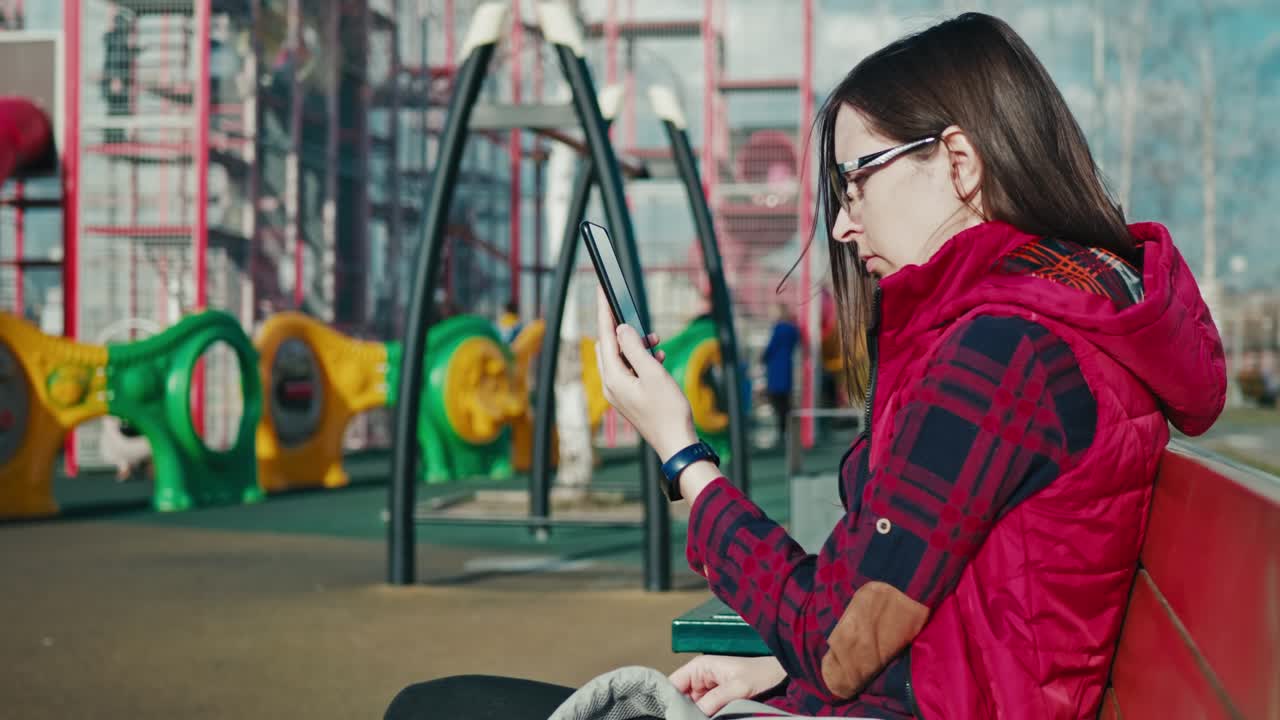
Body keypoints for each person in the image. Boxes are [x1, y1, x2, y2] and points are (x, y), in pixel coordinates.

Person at [384, 13, 1226, 720]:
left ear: (961, 163)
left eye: (855, 180)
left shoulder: (1004, 349)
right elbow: (959, 618)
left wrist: (684, 459)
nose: (842, 225)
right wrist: (779, 675)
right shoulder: (1075, 314)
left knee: (437, 708)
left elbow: (837, 640)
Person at [760, 303, 802, 448]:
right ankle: (789, 433)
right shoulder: (793, 330)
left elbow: (770, 349)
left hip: (776, 372)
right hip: (787, 370)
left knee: (778, 404)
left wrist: (762, 358)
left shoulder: (778, 329)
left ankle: (781, 435)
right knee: (785, 404)